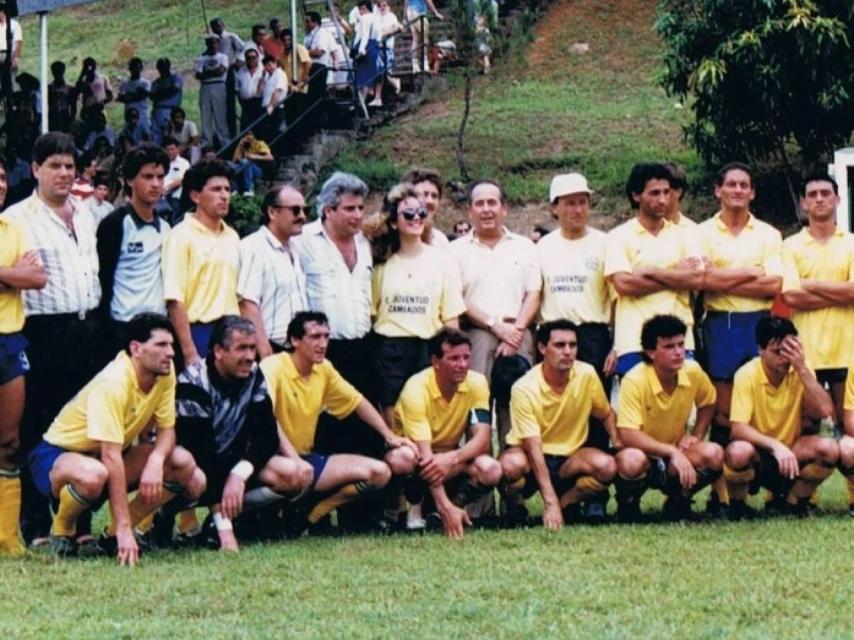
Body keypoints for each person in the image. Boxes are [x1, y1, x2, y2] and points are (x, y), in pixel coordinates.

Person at [27, 313, 204, 563]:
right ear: (136, 348)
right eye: (161, 345)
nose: (171, 352)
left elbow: (167, 430)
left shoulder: (165, 371)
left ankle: (112, 537)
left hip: (104, 457)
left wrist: (156, 460)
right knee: (94, 475)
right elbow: (111, 456)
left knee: (183, 464)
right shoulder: (114, 382)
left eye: (172, 345)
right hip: (57, 454)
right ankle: (63, 528)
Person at [3, 132, 103, 547]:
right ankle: (35, 522)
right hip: (43, 329)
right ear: (36, 169)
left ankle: (77, 522)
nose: (63, 174)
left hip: (88, 326)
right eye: (55, 166)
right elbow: (25, 276)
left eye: (69, 166)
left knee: (84, 427)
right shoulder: (18, 218)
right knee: (37, 426)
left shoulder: (87, 212)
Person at [260, 311, 417, 532]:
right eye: (315, 336)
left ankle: (315, 513)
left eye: (326, 336)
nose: (323, 343)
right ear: (294, 340)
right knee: (291, 474)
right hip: (271, 459)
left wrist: (389, 436)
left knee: (380, 473)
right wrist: (293, 458)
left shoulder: (324, 369)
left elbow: (357, 401)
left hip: (307, 459)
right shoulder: (273, 366)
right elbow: (266, 417)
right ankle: (247, 516)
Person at [173, 315, 313, 551]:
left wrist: (239, 473)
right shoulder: (193, 382)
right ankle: (167, 516)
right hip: (191, 470)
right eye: (241, 348)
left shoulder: (254, 374)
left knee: (294, 475)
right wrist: (225, 531)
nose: (250, 356)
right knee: (197, 479)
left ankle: (228, 518)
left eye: (252, 347)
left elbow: (267, 435)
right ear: (218, 351)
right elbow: (202, 454)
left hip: (230, 460)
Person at [698, 162, 784, 514]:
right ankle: (721, 496)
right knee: (723, 412)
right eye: (730, 184)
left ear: (752, 192)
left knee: (758, 408)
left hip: (759, 321)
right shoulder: (701, 232)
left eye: (743, 185)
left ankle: (757, 487)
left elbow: (774, 284)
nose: (737, 190)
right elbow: (702, 282)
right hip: (721, 322)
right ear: (718, 190)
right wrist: (750, 272)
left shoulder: (769, 234)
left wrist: (723, 276)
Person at [538, 173, 616, 521]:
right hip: (553, 333)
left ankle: (595, 494)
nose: (577, 209)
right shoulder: (541, 247)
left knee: (596, 410)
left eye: (583, 201)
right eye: (569, 202)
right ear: (554, 208)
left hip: (594, 332)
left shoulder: (605, 243)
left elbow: (616, 297)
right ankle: (550, 484)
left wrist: (618, 341)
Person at [291, 172, 380, 468]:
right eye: (349, 209)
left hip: (363, 348)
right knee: (325, 429)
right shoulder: (303, 242)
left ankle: (359, 512)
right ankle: (319, 507)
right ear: (328, 210)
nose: (357, 215)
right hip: (324, 350)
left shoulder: (365, 243)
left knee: (362, 430)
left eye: (360, 208)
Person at [500, 320, 626, 528]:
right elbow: (533, 448)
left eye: (572, 345)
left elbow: (605, 414)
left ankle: (565, 504)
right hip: (532, 458)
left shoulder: (586, 374)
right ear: (542, 348)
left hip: (570, 459)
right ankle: (517, 508)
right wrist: (548, 501)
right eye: (559, 345)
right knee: (509, 466)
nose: (568, 352)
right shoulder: (524, 387)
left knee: (607, 466)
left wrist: (617, 440)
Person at [449, 179, 539, 448]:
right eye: (479, 203)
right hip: (476, 334)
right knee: (477, 406)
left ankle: (513, 479)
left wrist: (516, 331)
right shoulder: (455, 251)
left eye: (492, 202)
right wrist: (493, 325)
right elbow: (457, 297)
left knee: (515, 406)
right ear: (469, 211)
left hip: (518, 333)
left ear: (504, 208)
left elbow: (534, 293)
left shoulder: (524, 247)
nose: (486, 209)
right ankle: (481, 478)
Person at [371, 182, 466, 428]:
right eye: (408, 214)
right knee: (394, 414)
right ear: (393, 221)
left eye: (421, 213)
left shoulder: (444, 262)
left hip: (429, 346)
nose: (416, 218)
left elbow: (451, 316)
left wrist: (452, 355)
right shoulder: (380, 263)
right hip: (391, 347)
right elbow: (372, 312)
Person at [723, 316, 835, 517]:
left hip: (793, 451)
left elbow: (825, 412)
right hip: (760, 453)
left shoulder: (801, 370)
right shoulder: (746, 374)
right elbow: (738, 428)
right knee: (738, 451)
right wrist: (775, 446)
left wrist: (801, 368)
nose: (785, 358)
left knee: (829, 448)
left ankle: (794, 502)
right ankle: (738, 505)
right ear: (760, 349)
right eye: (777, 352)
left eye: (789, 351)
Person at [613, 315, 722, 521]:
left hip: (677, 454)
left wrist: (696, 435)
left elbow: (709, 402)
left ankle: (680, 499)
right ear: (651, 352)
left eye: (681, 344)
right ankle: (628, 504)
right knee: (631, 460)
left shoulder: (692, 370)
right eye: (669, 346)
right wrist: (671, 451)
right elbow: (628, 434)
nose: (679, 352)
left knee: (714, 453)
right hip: (644, 455)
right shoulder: (634, 379)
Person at [394, 329, 501, 538]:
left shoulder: (477, 382)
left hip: (447, 456)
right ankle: (412, 510)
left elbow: (482, 439)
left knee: (491, 469)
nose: (462, 364)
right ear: (435, 361)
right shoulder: (415, 388)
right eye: (454, 358)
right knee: (403, 459)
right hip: (416, 455)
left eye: (466, 357)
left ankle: (451, 506)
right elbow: (426, 459)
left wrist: (452, 458)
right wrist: (445, 505)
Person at [605, 162, 704, 377]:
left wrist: (650, 271)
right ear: (636, 195)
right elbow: (624, 285)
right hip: (633, 340)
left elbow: (696, 280)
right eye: (654, 193)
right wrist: (677, 273)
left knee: (681, 408)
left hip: (680, 341)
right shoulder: (618, 237)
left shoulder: (685, 234)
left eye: (667, 192)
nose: (662, 200)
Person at [0, 159, 46, 556]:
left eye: (1, 178)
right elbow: (21, 275)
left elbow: (36, 278)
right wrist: (11, 272)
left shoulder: (13, 226)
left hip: (10, 340)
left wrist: (9, 273)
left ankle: (7, 536)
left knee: (10, 440)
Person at [781, 173, 852, 431]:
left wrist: (809, 284)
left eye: (825, 193)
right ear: (803, 203)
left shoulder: (852, 243)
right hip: (805, 351)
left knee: (849, 430)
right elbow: (790, 296)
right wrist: (840, 294)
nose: (819, 199)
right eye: (812, 194)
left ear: (838, 199)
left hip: (847, 350)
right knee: (805, 427)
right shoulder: (790, 246)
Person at [162, 158, 239, 368]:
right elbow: (175, 299)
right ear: (196, 195)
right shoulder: (180, 236)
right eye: (216, 189)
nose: (224, 195)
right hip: (200, 333)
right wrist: (189, 352)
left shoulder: (232, 236)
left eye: (227, 189)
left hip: (233, 332)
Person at [96, 145, 170, 355]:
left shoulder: (166, 228)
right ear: (129, 180)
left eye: (160, 177)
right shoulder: (115, 223)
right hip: (122, 327)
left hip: (158, 327)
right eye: (147, 177)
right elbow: (103, 276)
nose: (155, 184)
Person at [238, 185, 307, 358]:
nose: (303, 216)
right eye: (295, 210)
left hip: (297, 350)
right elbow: (247, 303)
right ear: (272, 213)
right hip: (270, 349)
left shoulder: (296, 248)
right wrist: (265, 351)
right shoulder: (254, 247)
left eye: (306, 210)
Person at [209, 17, 244, 138]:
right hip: (219, 77)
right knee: (228, 105)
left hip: (232, 72)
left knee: (241, 100)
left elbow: (244, 49)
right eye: (214, 26)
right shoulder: (213, 40)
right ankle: (231, 133)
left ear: (223, 25)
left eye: (219, 25)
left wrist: (238, 61)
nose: (217, 28)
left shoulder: (231, 37)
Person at [194, 34, 229, 149]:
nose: (213, 45)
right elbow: (199, 75)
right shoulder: (201, 58)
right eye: (210, 43)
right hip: (205, 87)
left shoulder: (223, 57)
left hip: (219, 86)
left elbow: (221, 71)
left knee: (221, 115)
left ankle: (224, 141)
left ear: (218, 43)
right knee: (206, 114)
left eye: (215, 42)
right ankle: (207, 142)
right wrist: (213, 71)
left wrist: (207, 72)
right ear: (206, 44)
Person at [401, 167, 449, 248]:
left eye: (434, 196)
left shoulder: (441, 241)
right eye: (425, 194)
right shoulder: (396, 237)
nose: (430, 201)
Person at [303, 11, 335, 129]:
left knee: (316, 95)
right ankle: (312, 122)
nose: (306, 23)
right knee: (310, 96)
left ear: (315, 22)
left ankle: (319, 122)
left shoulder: (321, 34)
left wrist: (304, 51)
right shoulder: (308, 35)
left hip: (318, 66)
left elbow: (319, 52)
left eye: (308, 21)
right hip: (309, 66)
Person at [353, 1, 383, 107]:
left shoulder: (365, 18)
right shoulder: (377, 17)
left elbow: (365, 35)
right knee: (370, 73)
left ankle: (361, 101)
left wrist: (361, 49)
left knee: (362, 74)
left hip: (366, 46)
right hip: (374, 46)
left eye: (362, 9)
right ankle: (368, 100)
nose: (360, 12)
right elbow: (379, 35)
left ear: (366, 8)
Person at [403, 0, 444, 73]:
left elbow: (406, 2)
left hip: (410, 11)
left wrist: (405, 18)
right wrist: (436, 12)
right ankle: (424, 63)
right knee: (425, 38)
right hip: (418, 12)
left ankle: (415, 65)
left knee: (415, 39)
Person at [149, 58, 183, 144]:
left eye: (164, 67)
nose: (162, 69)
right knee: (156, 135)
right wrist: (164, 91)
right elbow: (152, 96)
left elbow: (174, 90)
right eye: (160, 67)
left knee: (170, 134)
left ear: (168, 67)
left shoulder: (175, 78)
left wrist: (160, 93)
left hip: (171, 110)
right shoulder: (156, 82)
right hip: (157, 110)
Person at [231, 132, 273, 196]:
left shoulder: (260, 143)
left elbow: (270, 157)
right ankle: (234, 190)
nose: (247, 139)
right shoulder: (244, 146)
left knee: (245, 162)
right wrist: (239, 145)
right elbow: (234, 160)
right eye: (246, 137)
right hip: (246, 168)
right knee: (231, 166)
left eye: (249, 136)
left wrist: (255, 157)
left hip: (259, 169)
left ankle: (248, 189)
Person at [259, 55, 287, 144]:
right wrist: (263, 77)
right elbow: (259, 91)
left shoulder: (279, 73)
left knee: (275, 133)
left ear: (275, 63)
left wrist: (271, 106)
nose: (269, 67)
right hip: (266, 108)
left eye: (270, 65)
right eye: (266, 65)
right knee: (267, 134)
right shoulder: (268, 76)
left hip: (275, 108)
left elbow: (277, 91)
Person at [117, 57, 151, 129]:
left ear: (141, 68)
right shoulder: (124, 85)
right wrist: (137, 94)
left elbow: (143, 95)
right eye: (133, 67)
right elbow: (121, 98)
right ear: (130, 68)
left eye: (137, 67)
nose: (136, 69)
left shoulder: (146, 83)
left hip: (143, 118)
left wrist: (129, 96)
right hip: (129, 119)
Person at [236, 48, 264, 134]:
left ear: (257, 58)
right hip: (246, 104)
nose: (251, 60)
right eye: (248, 58)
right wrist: (241, 101)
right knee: (245, 129)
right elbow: (237, 88)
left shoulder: (263, 70)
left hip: (259, 103)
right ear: (245, 59)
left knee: (259, 128)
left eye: (253, 57)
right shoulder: (241, 71)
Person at [162, 136, 190, 222]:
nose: (170, 152)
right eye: (168, 149)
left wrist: (166, 189)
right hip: (162, 197)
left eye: (172, 149)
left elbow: (182, 180)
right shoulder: (162, 163)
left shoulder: (183, 163)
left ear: (178, 149)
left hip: (176, 197)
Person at [47, 61, 76, 133]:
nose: (57, 74)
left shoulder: (69, 88)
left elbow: (73, 105)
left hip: (64, 115)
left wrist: (72, 119)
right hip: (52, 116)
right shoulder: (49, 88)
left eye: (59, 71)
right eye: (55, 71)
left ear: (63, 71)